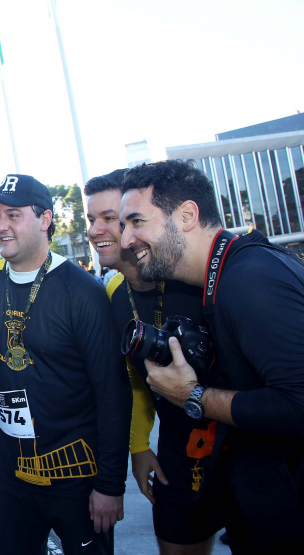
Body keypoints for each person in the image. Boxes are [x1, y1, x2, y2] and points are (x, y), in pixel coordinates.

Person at [0, 174, 131, 555]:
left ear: (45, 219)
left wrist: (110, 485)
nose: (1, 226)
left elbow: (113, 395)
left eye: (13, 215)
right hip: (13, 471)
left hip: (75, 473)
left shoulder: (84, 291)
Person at [120, 159, 304, 553]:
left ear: (187, 215)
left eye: (136, 222)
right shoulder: (231, 276)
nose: (125, 240)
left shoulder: (249, 280)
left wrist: (193, 396)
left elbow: (299, 404)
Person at [86, 168, 221, 554]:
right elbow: (134, 378)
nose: (97, 230)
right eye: (92, 220)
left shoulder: (197, 275)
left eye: (112, 218)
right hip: (179, 451)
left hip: (243, 442)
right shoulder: (112, 294)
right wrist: (140, 446)